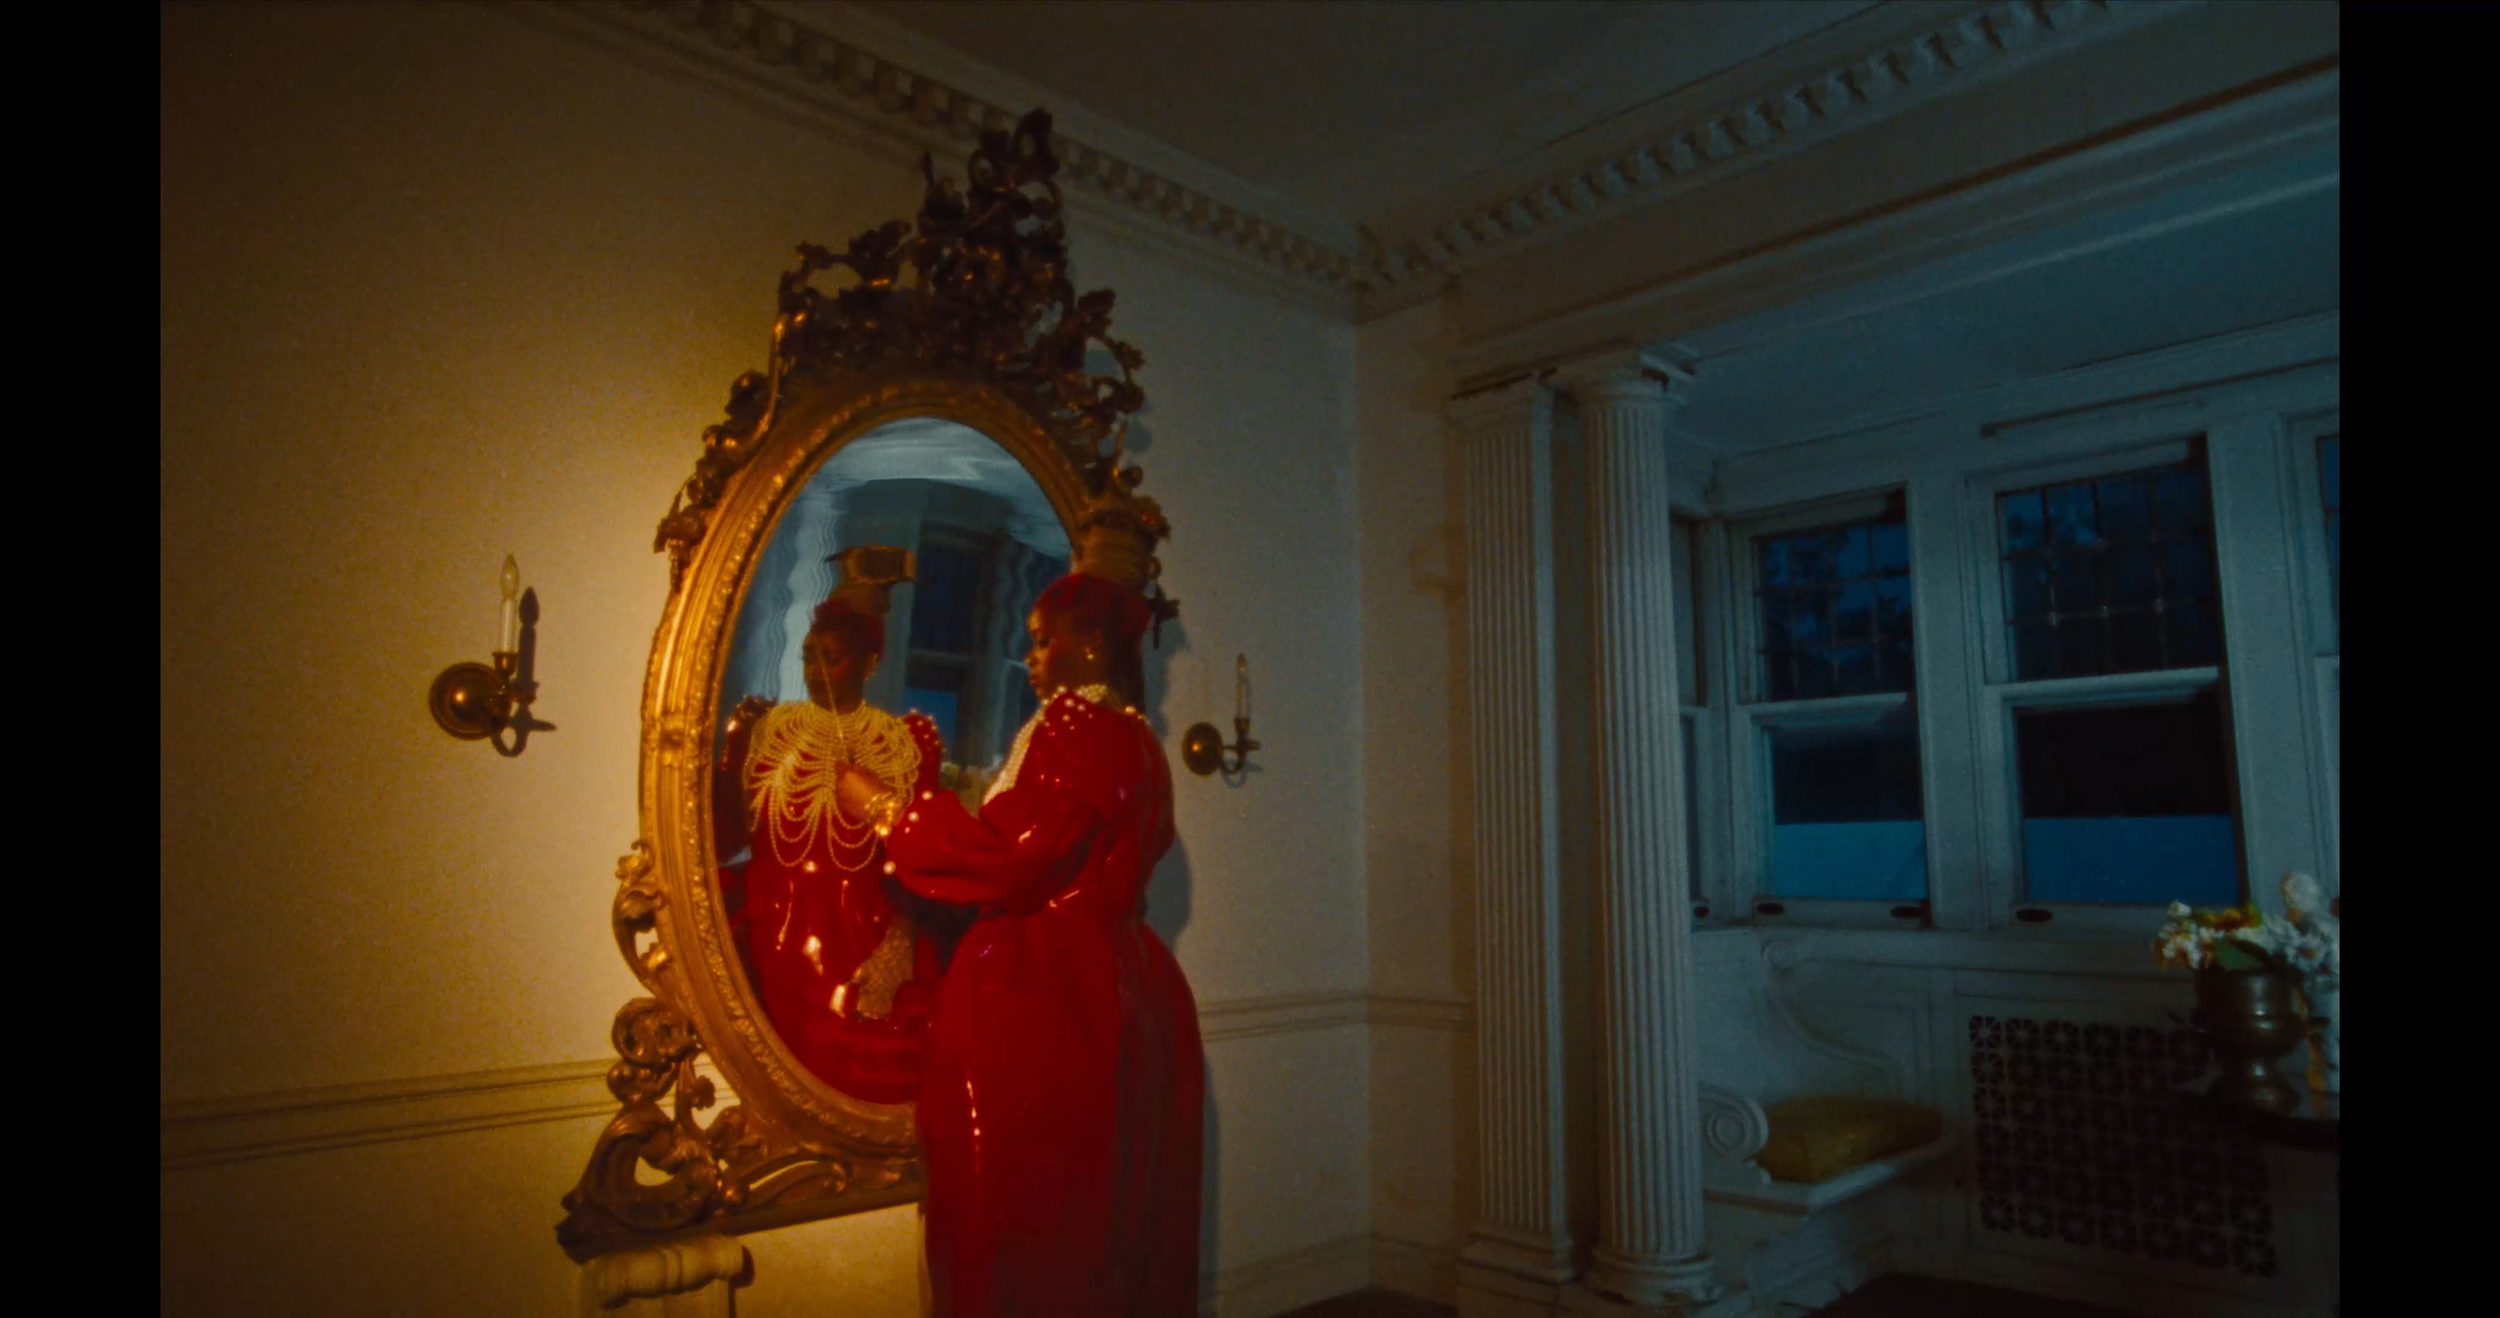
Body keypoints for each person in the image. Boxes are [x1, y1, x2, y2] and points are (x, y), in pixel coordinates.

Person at [834, 505, 1201, 1317]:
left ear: (1093, 643)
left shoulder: (1078, 728)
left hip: (1037, 1000)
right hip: (1112, 993)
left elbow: (1008, 858)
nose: (1030, 658)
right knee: (1096, 1219)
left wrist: (889, 810)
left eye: (1043, 639)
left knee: (1016, 1223)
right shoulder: (1136, 740)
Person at [714, 549, 947, 1104]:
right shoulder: (771, 729)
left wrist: (899, 942)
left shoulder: (907, 741)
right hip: (778, 925)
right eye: (810, 654)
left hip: (862, 931)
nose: (816, 669)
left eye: (833, 658)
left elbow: (922, 860)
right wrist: (730, 751)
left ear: (869, 664)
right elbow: (727, 837)